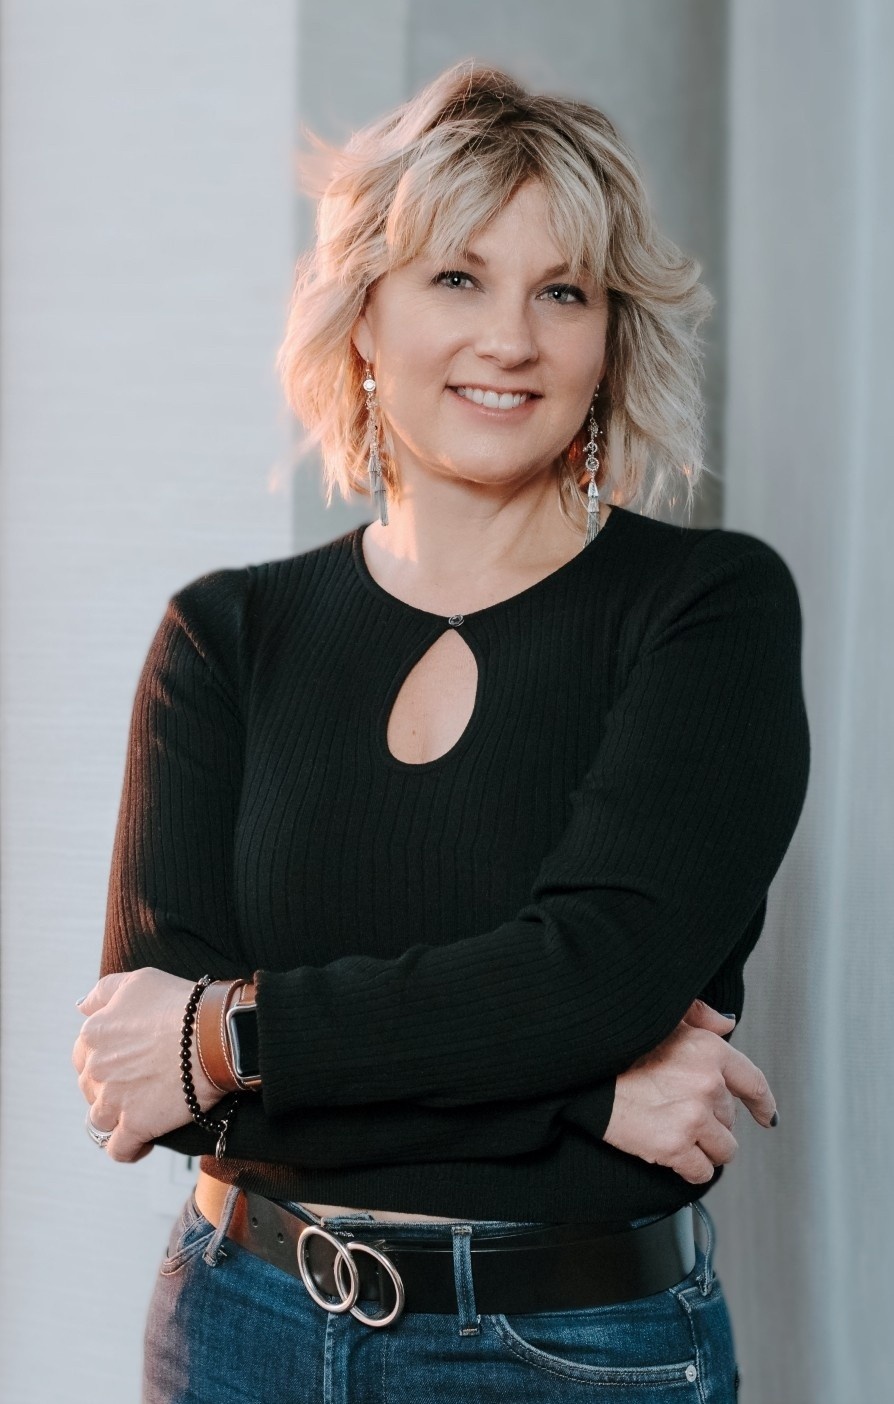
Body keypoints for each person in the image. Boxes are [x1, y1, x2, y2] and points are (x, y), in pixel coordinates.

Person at [72, 61, 810, 1403]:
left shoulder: (704, 608)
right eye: (457, 278)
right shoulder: (225, 634)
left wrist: (232, 1038)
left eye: (563, 292)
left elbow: (591, 979)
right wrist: (582, 1099)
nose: (511, 340)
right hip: (241, 1322)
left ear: (610, 336)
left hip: (571, 1350)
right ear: (363, 314)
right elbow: (150, 1065)